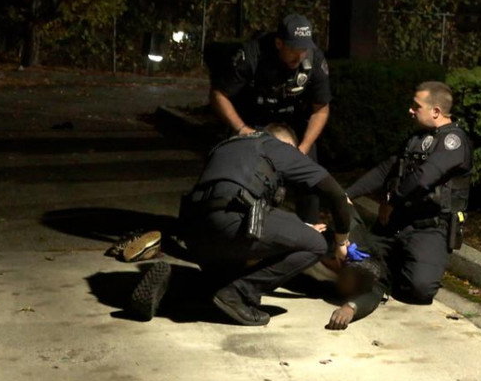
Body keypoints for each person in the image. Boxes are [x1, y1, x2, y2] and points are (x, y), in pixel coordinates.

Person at [129, 123, 351, 326]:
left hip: (193, 231)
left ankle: (175, 286)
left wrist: (292, 232)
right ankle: (239, 294)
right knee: (315, 243)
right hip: (230, 221)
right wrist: (341, 241)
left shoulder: (227, 146)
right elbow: (337, 195)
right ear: (285, 144)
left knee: (222, 279)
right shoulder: (278, 148)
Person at [345, 81, 473, 305]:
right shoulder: (416, 139)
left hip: (430, 228)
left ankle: (391, 271)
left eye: (416, 106)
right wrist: (346, 194)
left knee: (419, 291)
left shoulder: (454, 142)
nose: (410, 110)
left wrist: (392, 201)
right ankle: (384, 270)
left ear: (436, 111)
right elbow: (387, 169)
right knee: (351, 266)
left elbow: (424, 178)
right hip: (398, 222)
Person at [206, 14, 332, 224]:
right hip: (253, 119)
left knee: (310, 178)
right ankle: (237, 225)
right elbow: (219, 94)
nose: (300, 55)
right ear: (278, 43)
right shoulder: (251, 55)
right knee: (246, 175)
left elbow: (321, 109)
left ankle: (308, 233)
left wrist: (303, 148)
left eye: (304, 49)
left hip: (294, 123)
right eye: (294, 49)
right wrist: (241, 129)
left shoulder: (314, 59)